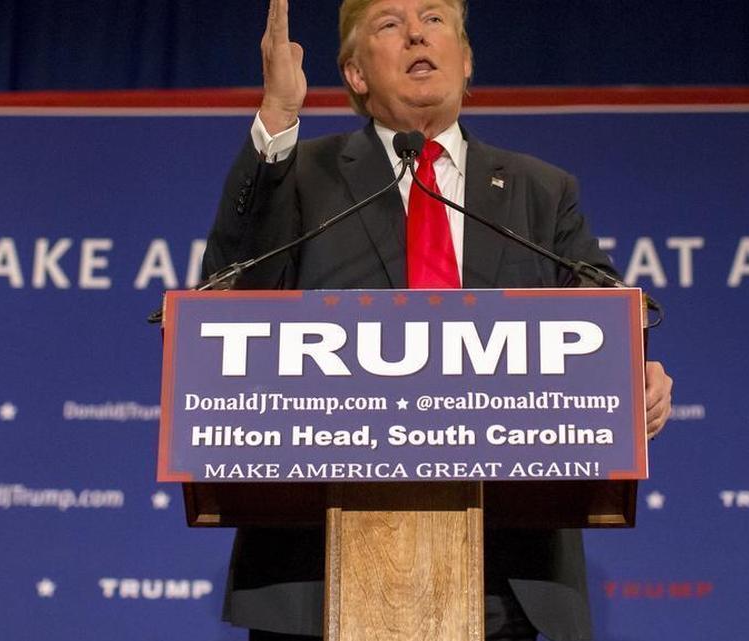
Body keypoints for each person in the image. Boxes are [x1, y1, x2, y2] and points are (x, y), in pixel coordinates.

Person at [202, 1, 674, 639]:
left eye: (435, 19)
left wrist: (633, 365)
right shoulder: (302, 175)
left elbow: (602, 300)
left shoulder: (541, 191)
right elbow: (231, 284)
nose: (418, 34)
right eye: (390, 25)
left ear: (467, 59)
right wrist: (278, 119)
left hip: (505, 575)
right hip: (318, 576)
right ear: (356, 73)